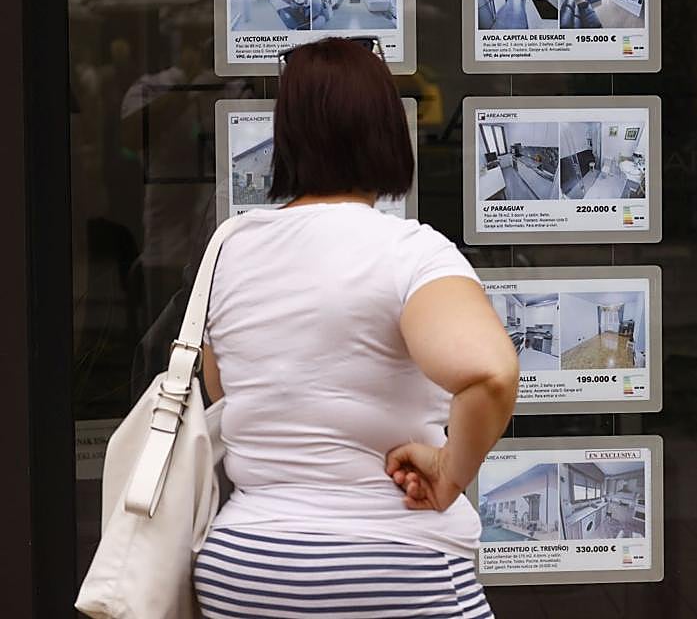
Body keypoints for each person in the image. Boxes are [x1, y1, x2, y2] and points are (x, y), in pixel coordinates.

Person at [194, 37, 518, 618]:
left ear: (286, 137)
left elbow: (227, 391)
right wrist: (448, 473)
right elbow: (489, 375)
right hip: (390, 561)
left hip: (245, 566)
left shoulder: (231, 249)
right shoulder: (411, 253)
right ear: (386, 129)